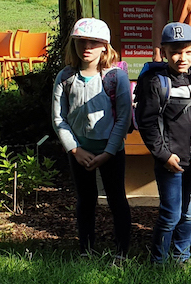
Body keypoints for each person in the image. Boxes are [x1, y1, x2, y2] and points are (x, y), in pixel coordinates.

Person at [51, 18, 132, 258]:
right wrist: (74, 150)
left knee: (117, 199)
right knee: (85, 201)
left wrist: (108, 152)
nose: (87, 47)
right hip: (79, 153)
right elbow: (59, 118)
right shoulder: (65, 78)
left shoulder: (116, 78)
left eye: (94, 42)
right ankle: (85, 249)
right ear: (73, 44)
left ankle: (122, 252)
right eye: (81, 41)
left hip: (112, 152)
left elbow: (123, 119)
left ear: (105, 46)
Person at [136, 22, 191, 265]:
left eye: (188, 52)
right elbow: (147, 122)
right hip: (169, 161)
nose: (182, 58)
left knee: (188, 213)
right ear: (163, 51)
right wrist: (163, 155)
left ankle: (181, 257)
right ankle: (159, 261)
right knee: (170, 214)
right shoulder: (156, 82)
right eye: (175, 51)